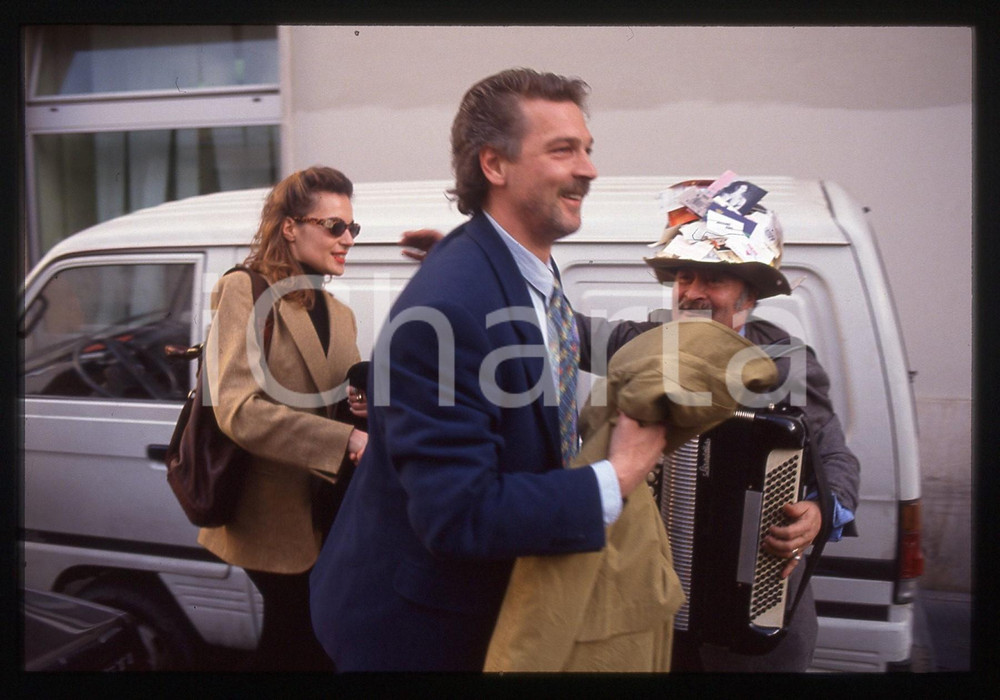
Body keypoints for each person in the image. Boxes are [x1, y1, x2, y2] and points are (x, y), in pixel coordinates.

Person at [396, 181, 860, 672]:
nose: (693, 292)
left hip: (756, 624)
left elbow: (837, 461)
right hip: (659, 607)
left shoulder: (787, 363)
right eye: (683, 276)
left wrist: (818, 513)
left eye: (713, 280)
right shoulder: (647, 342)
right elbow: (556, 326)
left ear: (750, 295)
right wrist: (480, 274)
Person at [308, 68, 668, 672]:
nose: (589, 169)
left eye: (587, 149)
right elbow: (460, 514)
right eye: (562, 150)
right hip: (417, 635)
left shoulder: (516, 264)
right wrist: (620, 474)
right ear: (494, 166)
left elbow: (563, 335)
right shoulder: (447, 309)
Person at [199, 165, 368, 671]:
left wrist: (357, 403)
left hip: (326, 513)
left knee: (296, 644)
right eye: (333, 226)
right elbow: (238, 409)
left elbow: (327, 398)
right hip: (269, 519)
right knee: (302, 640)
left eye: (352, 229)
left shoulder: (339, 312)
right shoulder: (245, 291)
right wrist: (346, 442)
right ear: (290, 226)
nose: (347, 240)